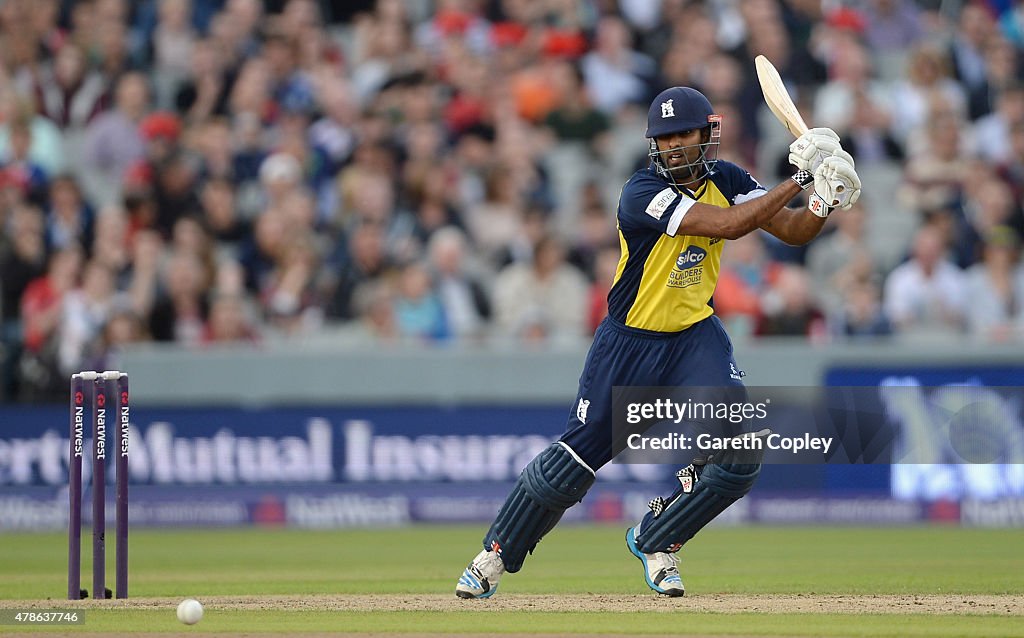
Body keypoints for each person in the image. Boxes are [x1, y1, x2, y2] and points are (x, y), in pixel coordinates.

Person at [454, 87, 861, 599]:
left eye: (683, 134)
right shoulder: (640, 192)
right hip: (629, 343)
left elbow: (794, 231)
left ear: (705, 135)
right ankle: (493, 556)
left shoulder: (729, 178)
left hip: (694, 337)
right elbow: (731, 225)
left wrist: (824, 200)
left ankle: (657, 540)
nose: (673, 145)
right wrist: (800, 177)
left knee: (740, 454)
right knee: (571, 467)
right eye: (664, 137)